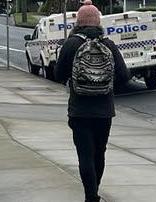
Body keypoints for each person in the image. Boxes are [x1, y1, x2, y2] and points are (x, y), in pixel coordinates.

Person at [54, 1, 128, 201]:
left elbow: (58, 75)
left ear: (78, 22)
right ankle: (94, 192)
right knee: (99, 153)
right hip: (104, 111)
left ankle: (91, 196)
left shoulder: (71, 44)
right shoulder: (108, 44)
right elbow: (124, 75)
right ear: (98, 22)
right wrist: (106, 84)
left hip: (80, 110)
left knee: (85, 155)